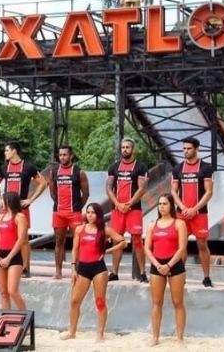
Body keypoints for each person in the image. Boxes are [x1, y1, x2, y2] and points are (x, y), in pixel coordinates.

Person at [60, 202, 126, 342]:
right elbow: (75, 249)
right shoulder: (79, 229)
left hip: (98, 269)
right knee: (74, 301)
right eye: (88, 212)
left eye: (93, 213)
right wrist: (73, 268)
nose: (90, 215)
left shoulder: (105, 230)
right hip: (82, 268)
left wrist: (107, 251)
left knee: (100, 302)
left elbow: (123, 242)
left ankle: (100, 334)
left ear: (98, 215)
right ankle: (72, 331)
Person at [0, 141, 46, 278]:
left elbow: (43, 183)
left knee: (23, 239)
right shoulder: (4, 167)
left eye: (6, 150)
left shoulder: (28, 167)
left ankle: (25, 267)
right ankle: (4, 261)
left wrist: (31, 199)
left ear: (14, 151)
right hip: (7, 208)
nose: (5, 153)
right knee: (4, 235)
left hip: (22, 208)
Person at [144, 194, 189, 346]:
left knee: (178, 302)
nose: (161, 206)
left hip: (174, 264)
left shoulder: (179, 224)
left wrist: (169, 265)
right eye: (160, 204)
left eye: (165, 204)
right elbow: (147, 248)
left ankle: (180, 337)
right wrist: (158, 265)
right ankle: (155, 337)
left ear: (171, 206)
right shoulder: (152, 225)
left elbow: (182, 248)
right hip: (157, 265)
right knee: (156, 303)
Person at [172, 136, 215, 287]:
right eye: (184, 148)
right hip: (181, 213)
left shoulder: (206, 168)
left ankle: (207, 277)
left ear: (197, 149)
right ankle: (180, 275)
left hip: (200, 213)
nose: (186, 151)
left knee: (202, 244)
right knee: (181, 245)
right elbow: (173, 191)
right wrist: (183, 208)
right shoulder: (177, 168)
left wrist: (195, 209)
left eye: (189, 148)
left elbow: (209, 192)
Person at [106, 138, 150, 282]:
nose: (124, 150)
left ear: (133, 150)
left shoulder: (141, 167)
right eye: (123, 147)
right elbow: (108, 187)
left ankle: (143, 273)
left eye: (127, 147)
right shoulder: (113, 167)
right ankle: (114, 272)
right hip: (117, 209)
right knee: (117, 240)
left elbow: (142, 188)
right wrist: (117, 204)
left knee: (137, 240)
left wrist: (129, 203)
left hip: (134, 209)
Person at [47, 145, 89, 279]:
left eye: (65, 155)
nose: (62, 157)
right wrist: (59, 204)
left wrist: (77, 207)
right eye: (60, 155)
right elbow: (52, 192)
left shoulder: (79, 172)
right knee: (59, 241)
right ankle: (58, 271)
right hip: (58, 213)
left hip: (74, 213)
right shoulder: (54, 172)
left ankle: (77, 271)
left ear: (71, 156)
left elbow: (86, 194)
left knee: (78, 242)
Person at [0, 191, 28, 310]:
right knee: (4, 293)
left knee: (12, 291)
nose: (1, 202)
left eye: (3, 200)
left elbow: (21, 240)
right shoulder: (0, 217)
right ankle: (6, 319)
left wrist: (9, 258)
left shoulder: (19, 217)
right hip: (1, 254)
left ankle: (25, 318)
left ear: (9, 201)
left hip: (14, 256)